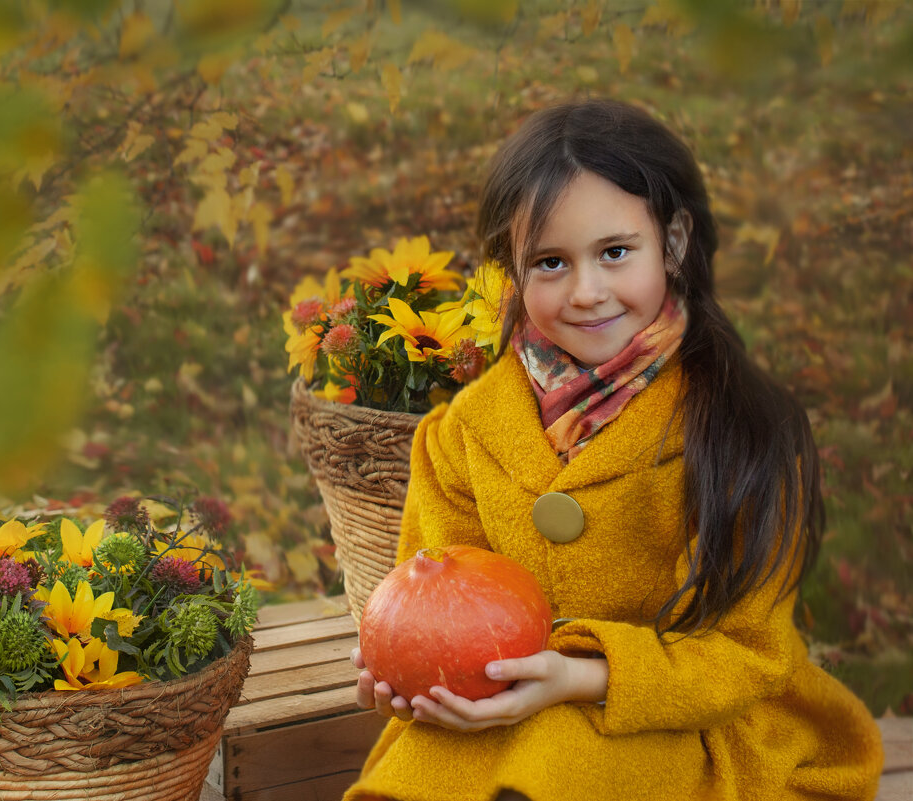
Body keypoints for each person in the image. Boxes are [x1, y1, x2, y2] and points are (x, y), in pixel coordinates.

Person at [344, 99, 884, 801]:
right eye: (550, 262)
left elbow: (751, 656)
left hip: (696, 722)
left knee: (549, 767)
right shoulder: (464, 435)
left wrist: (582, 675)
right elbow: (440, 605)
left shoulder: (741, 430)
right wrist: (412, 673)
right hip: (505, 709)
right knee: (419, 779)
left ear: (676, 242)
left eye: (615, 252)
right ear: (511, 267)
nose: (586, 292)